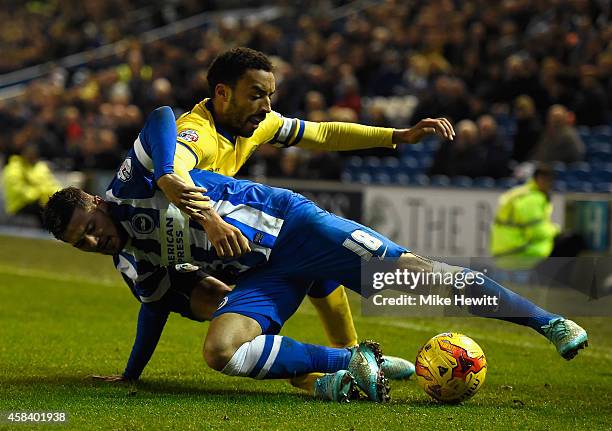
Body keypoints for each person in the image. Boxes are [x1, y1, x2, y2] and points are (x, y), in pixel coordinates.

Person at [42, 110, 588, 402]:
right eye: (81, 243)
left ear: (95, 202)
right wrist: (132, 374)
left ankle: (550, 322)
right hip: (267, 273)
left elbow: (160, 117)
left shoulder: (136, 179)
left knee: (422, 281)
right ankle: (354, 362)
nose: (94, 241)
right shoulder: (132, 263)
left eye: (89, 228)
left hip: (298, 228)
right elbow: (153, 307)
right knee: (221, 350)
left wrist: (173, 183)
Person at [151, 47, 454, 392]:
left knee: (317, 262)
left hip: (229, 235)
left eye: (269, 96)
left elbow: (323, 134)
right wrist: (206, 217)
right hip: (202, 244)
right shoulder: (196, 133)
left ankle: (354, 359)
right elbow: (172, 170)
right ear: (222, 93)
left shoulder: (255, 124)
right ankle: (323, 374)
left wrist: (396, 136)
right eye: (256, 95)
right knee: (240, 320)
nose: (266, 106)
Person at [490, 165, 586, 273]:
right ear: (537, 179)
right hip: (519, 252)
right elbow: (537, 232)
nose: (548, 184)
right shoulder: (533, 199)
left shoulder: (520, 192)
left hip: (504, 252)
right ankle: (556, 285)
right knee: (574, 241)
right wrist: (556, 229)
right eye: (545, 180)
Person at [2, 144, 60, 224]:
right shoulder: (14, 168)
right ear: (23, 154)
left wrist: (57, 196)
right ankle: (45, 233)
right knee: (42, 209)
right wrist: (39, 194)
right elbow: (19, 190)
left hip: (39, 201)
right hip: (19, 204)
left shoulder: (40, 167)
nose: (32, 157)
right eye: (29, 155)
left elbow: (51, 185)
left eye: (34, 155)